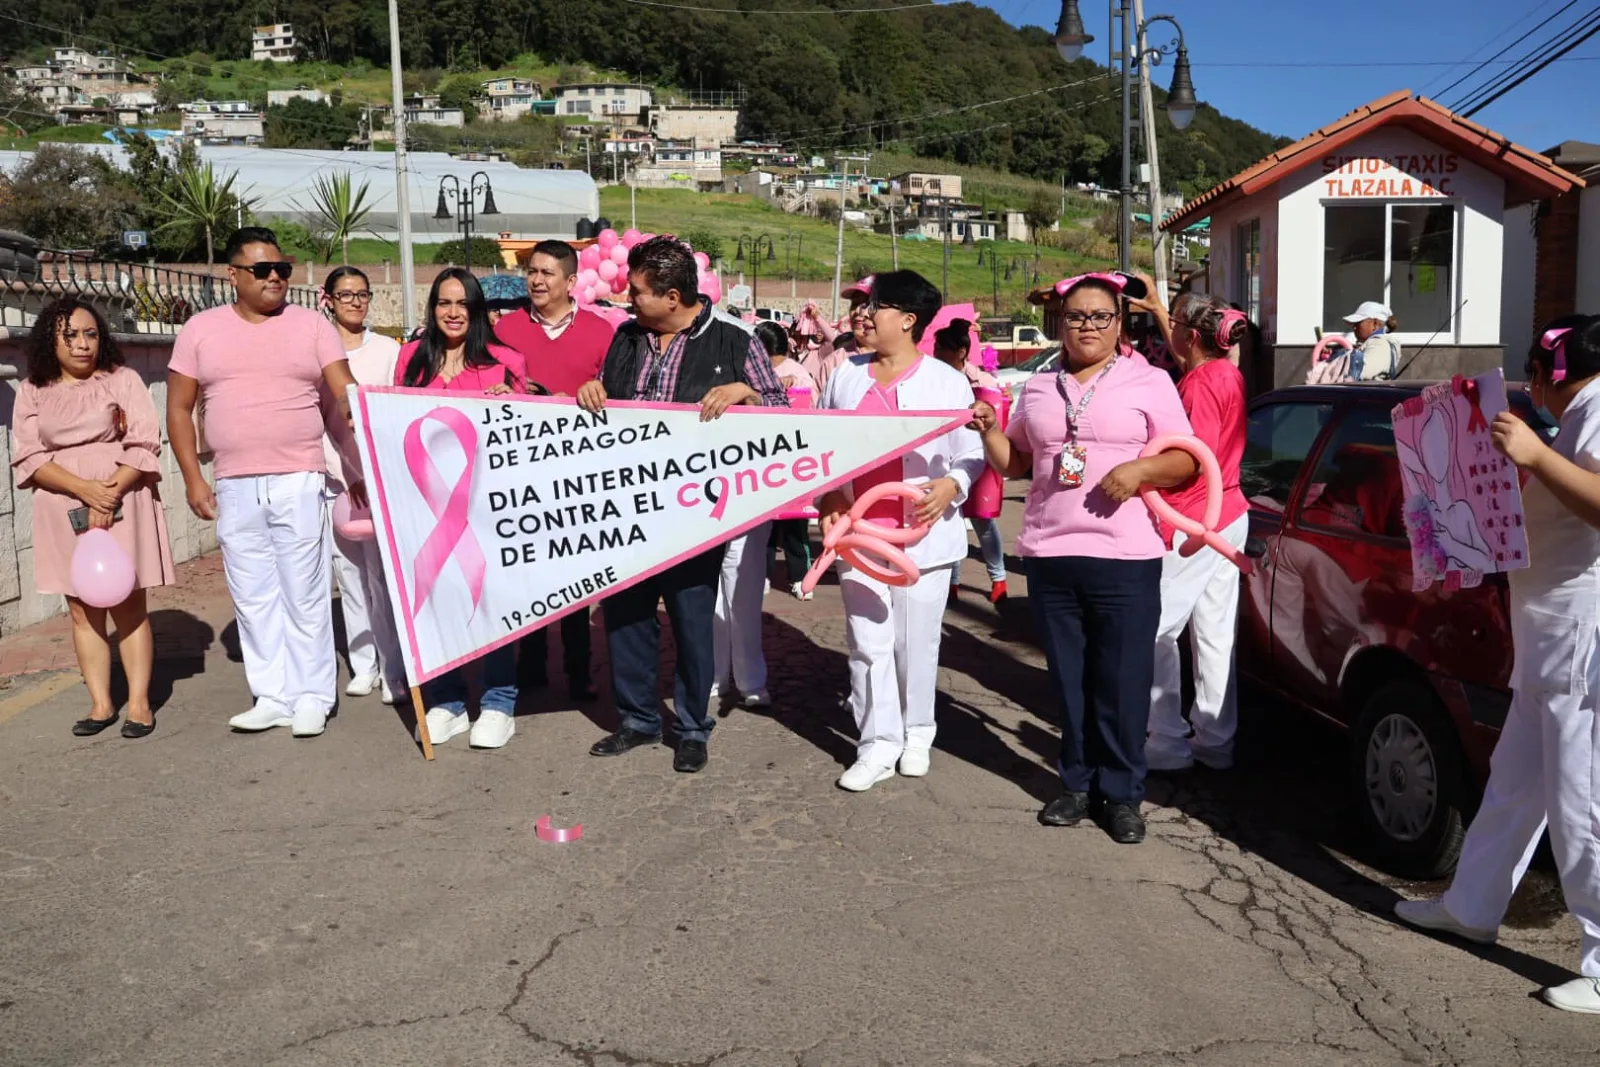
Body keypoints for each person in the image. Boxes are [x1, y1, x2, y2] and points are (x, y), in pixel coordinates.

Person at [1395, 315, 1600, 1014]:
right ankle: (1472, 904)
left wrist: (1537, 458)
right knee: (1518, 788)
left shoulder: (1599, 409)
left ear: (1557, 370)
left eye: (1537, 373)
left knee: (1583, 803)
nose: (1533, 387)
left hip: (1581, 641)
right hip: (1550, 637)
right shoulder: (1578, 420)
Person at [969, 272, 1196, 844]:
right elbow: (1017, 463)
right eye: (1076, 317)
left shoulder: (1150, 382)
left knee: (1121, 682)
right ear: (1060, 323)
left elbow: (1188, 462)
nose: (1087, 326)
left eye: (1099, 316)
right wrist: (990, 430)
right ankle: (1075, 784)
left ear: (1120, 322)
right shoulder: (1041, 387)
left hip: (1126, 556)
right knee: (1069, 681)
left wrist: (1142, 470)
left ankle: (1121, 796)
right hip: (1050, 553)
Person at [576, 236, 789, 774]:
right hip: (627, 505)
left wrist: (746, 392)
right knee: (625, 617)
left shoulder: (735, 342)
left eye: (640, 294)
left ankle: (693, 726)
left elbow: (785, 415)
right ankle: (639, 720)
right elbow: (606, 395)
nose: (630, 303)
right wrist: (590, 392)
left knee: (693, 622)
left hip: (696, 513)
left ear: (674, 297)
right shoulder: (625, 338)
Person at [167, 227, 357, 738]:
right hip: (232, 483)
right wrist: (192, 479)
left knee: (305, 591)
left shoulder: (313, 327)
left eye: (282, 270)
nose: (275, 278)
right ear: (233, 275)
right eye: (262, 270)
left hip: (298, 478)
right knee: (252, 595)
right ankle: (272, 694)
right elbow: (179, 409)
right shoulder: (200, 330)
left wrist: (356, 411)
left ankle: (313, 695)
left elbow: (344, 389)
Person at [816, 270, 986, 792]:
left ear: (909, 321)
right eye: (864, 306)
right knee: (868, 643)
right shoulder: (846, 374)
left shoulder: (945, 381)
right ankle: (875, 743)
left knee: (915, 643)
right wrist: (828, 498)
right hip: (859, 533)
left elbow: (971, 452)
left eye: (877, 307)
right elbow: (821, 447)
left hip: (923, 538)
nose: (863, 315)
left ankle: (916, 733)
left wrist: (951, 486)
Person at [13, 297, 175, 738]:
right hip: (63, 500)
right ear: (51, 340)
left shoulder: (122, 380)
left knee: (128, 604)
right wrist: (83, 490)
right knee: (81, 609)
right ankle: (101, 703)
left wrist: (109, 493)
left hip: (123, 494)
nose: (83, 344)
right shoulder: (32, 389)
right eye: (71, 335)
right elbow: (27, 456)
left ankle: (139, 703)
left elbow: (144, 440)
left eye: (90, 334)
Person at [396, 268, 528, 749]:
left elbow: (524, 431)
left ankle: (498, 702)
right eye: (443, 303)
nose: (453, 313)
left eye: (463, 304)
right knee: (435, 601)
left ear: (477, 311)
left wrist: (512, 401)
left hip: (487, 505)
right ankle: (446, 701)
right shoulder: (410, 359)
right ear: (432, 309)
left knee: (492, 601)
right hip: (426, 507)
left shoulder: (505, 361)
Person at [1129, 293, 1251, 772]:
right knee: (1215, 633)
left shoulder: (1200, 383)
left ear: (1192, 336)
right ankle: (1215, 740)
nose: (1171, 332)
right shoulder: (1229, 373)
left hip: (1193, 521)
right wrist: (1161, 307)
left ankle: (1166, 740)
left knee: (1156, 629)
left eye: (1175, 323)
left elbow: (1186, 462)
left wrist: (1137, 471)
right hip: (1229, 514)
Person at [494, 240, 617, 702]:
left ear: (571, 282)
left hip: (579, 473)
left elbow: (617, 390)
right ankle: (529, 667)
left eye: (548, 273)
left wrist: (594, 389)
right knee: (527, 573)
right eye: (532, 271)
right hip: (520, 472)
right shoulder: (505, 327)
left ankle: (579, 668)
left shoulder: (602, 332)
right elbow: (490, 382)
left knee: (576, 576)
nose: (537, 280)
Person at [319, 266, 405, 706]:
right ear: (328, 298)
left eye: (362, 294)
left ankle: (395, 669)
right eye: (346, 294)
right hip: (339, 480)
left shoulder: (388, 351)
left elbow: (392, 414)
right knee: (348, 576)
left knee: (384, 578)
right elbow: (320, 420)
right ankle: (363, 663)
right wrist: (345, 474)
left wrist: (372, 474)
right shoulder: (318, 348)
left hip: (380, 480)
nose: (355, 301)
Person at [931, 319, 1008, 604]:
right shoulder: (930, 380)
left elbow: (999, 423)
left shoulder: (984, 383)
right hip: (942, 456)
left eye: (944, 349)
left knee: (982, 522)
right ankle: (952, 582)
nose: (938, 354)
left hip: (977, 456)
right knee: (949, 516)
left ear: (962, 351)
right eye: (937, 348)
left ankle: (998, 578)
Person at [758, 321, 818, 601]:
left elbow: (810, 404)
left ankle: (801, 579)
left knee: (795, 528)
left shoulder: (797, 372)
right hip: (762, 459)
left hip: (794, 463)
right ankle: (763, 575)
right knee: (764, 528)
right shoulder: (755, 370)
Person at [1345, 300, 1401, 381]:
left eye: (1358, 323)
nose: (1354, 327)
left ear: (1374, 324)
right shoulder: (1375, 343)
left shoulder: (1380, 344)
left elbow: (1359, 374)